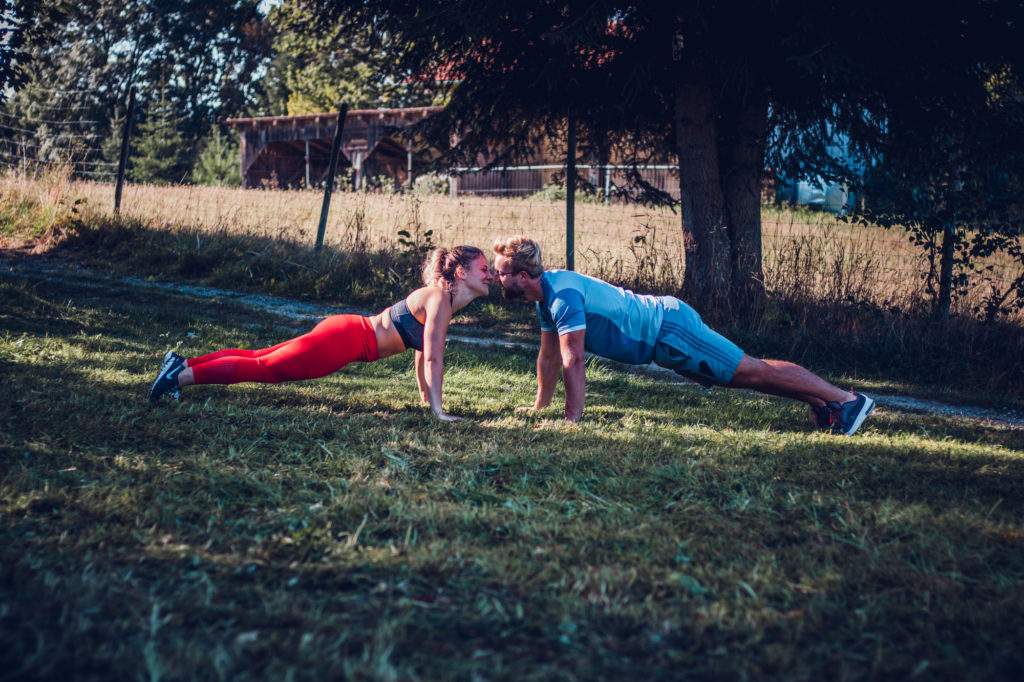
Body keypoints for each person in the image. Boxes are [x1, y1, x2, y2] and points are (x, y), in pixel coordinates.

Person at [491, 235, 874, 434]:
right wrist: (541, 407)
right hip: (664, 340)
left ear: (522, 277)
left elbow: (573, 359)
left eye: (500, 272)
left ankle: (847, 400)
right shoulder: (546, 298)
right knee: (744, 377)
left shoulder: (562, 297)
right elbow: (549, 357)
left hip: (669, 329)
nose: (496, 277)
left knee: (751, 370)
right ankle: (828, 406)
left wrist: (572, 418)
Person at [148, 245, 494, 421]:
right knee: (264, 368)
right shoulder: (439, 298)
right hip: (346, 340)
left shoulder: (443, 300)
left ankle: (181, 364)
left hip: (346, 333)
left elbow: (422, 353)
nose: (490, 274)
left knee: (260, 358)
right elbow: (433, 356)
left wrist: (425, 399)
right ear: (461, 272)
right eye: (484, 268)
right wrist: (437, 412)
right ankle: (176, 379)